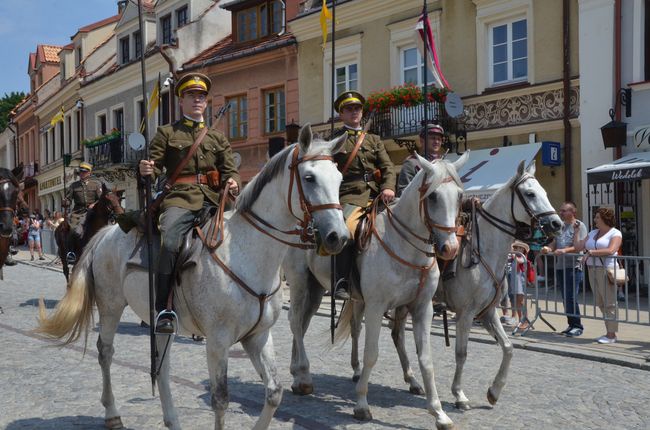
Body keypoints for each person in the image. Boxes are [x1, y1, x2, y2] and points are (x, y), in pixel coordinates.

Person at [139, 72, 240, 334]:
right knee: (171, 240)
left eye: (201, 96)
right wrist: (148, 169)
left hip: (214, 201)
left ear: (206, 102)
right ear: (181, 101)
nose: (197, 99)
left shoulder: (217, 138)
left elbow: (229, 169)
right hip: (181, 198)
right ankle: (163, 308)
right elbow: (156, 166)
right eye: (191, 95)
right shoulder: (167, 132)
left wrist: (233, 182)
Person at [331, 90, 396, 300]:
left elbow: (387, 167)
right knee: (347, 231)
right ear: (341, 114)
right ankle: (341, 279)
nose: (354, 112)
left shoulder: (374, 140)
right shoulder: (335, 140)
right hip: (349, 195)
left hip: (378, 195)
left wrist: (388, 187)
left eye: (357, 108)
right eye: (349, 109)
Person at [573, 207, 622, 344]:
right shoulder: (593, 232)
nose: (595, 220)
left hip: (607, 270)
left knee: (609, 302)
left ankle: (611, 335)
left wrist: (590, 253)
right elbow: (578, 247)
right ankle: (608, 332)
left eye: (597, 217)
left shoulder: (615, 233)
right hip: (592, 269)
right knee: (600, 302)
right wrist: (576, 232)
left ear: (605, 219)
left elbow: (611, 249)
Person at [541, 201, 588, 337]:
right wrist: (549, 248)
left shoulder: (579, 226)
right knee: (565, 297)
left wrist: (564, 250)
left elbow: (580, 246)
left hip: (573, 266)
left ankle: (577, 325)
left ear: (573, 212)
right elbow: (555, 241)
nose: (560, 213)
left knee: (571, 296)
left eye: (564, 211)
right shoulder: (560, 226)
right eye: (560, 210)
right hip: (561, 266)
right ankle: (571, 324)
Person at [397, 123, 445, 197]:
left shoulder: (444, 164)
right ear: (422, 141)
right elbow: (403, 193)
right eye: (433, 138)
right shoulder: (412, 163)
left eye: (439, 139)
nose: (437, 142)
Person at [507, 240, 535, 330]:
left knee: (521, 302)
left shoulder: (523, 258)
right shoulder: (513, 258)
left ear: (523, 250)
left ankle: (525, 320)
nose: (517, 249)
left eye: (520, 248)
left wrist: (513, 253)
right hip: (515, 282)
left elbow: (519, 261)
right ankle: (520, 320)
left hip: (520, 282)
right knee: (517, 302)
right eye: (516, 248)